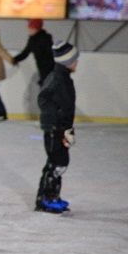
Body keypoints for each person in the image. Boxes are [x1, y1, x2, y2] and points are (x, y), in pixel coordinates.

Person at [35, 39, 78, 213]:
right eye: (74, 59)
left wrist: (67, 127)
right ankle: (45, 199)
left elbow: (66, 106)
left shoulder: (63, 79)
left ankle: (52, 195)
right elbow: (44, 100)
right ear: (66, 61)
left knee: (59, 163)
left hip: (60, 128)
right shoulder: (56, 79)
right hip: (54, 129)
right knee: (56, 163)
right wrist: (57, 123)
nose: (77, 63)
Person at [13, 19, 55, 87]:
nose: (29, 30)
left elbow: (51, 53)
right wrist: (15, 59)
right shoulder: (32, 40)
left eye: (32, 28)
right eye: (29, 28)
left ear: (37, 29)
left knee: (47, 88)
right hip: (41, 67)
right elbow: (25, 53)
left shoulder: (45, 38)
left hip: (49, 67)